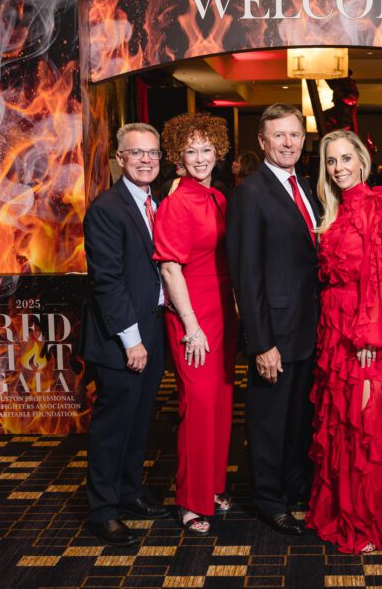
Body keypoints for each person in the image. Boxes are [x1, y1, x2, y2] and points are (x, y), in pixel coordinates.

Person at [306, 130, 382, 554]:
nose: (339, 168)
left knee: (364, 421)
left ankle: (365, 522)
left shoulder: (375, 206)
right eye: (332, 161)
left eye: (346, 159)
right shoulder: (333, 209)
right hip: (333, 326)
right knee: (339, 420)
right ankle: (338, 510)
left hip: (361, 327)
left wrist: (370, 334)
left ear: (362, 161)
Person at [227, 103, 322, 536]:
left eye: (295, 135)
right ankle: (268, 499)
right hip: (275, 334)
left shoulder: (306, 185)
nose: (289, 143)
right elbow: (246, 275)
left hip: (310, 328)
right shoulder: (251, 191)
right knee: (268, 421)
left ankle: (292, 486)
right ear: (262, 142)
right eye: (278, 136)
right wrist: (260, 342)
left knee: (299, 417)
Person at [79, 123, 171, 547]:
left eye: (152, 153)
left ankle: (129, 492)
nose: (146, 160)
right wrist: (132, 340)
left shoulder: (157, 203)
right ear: (121, 159)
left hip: (153, 327)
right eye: (137, 153)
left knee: (139, 420)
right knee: (112, 426)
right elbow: (107, 282)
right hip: (121, 338)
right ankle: (102, 508)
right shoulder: (107, 208)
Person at [153, 113, 237, 536]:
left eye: (207, 150)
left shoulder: (219, 198)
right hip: (193, 314)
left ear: (217, 151)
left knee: (221, 404)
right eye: (191, 151)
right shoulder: (175, 203)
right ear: (177, 157)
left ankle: (214, 486)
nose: (201, 158)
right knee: (197, 405)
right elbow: (169, 269)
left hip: (223, 311)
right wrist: (191, 325)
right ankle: (190, 500)